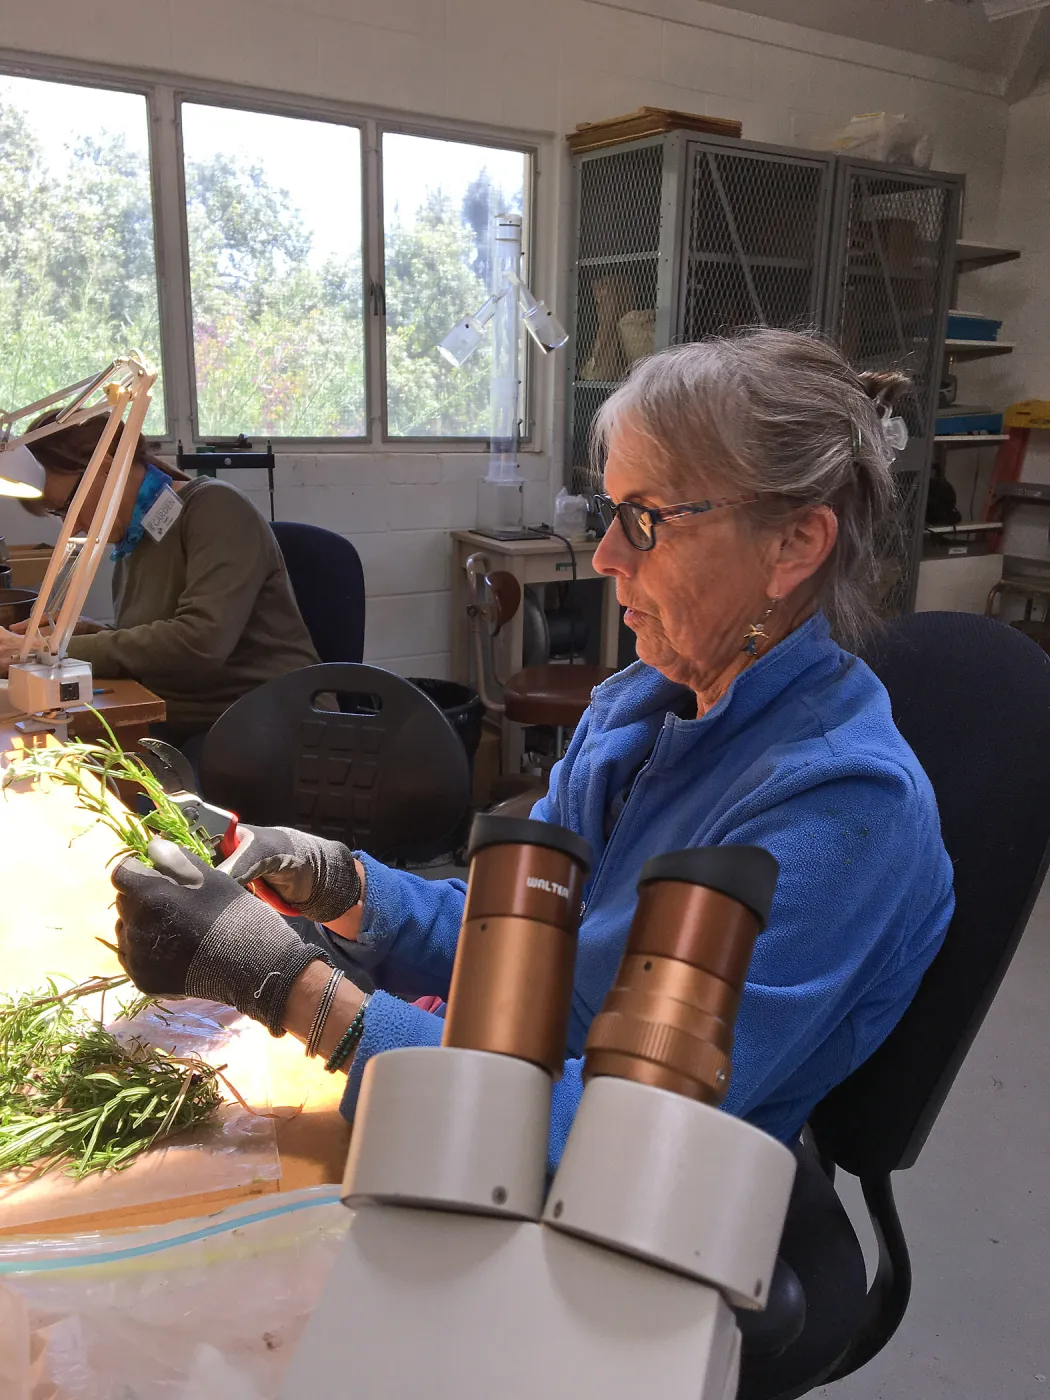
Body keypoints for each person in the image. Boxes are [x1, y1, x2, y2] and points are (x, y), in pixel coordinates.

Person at [111, 329, 955, 1168]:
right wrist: (339, 881)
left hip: (654, 1213)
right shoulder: (641, 713)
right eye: (610, 513)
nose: (606, 555)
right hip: (524, 1100)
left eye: (645, 520)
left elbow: (621, 1137)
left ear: (794, 546)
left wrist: (290, 988)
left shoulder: (844, 806)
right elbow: (518, 940)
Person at [0, 412, 318, 742]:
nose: (74, 526)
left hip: (270, 724)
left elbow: (200, 643)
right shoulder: (136, 537)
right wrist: (84, 633)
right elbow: (158, 643)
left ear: (107, 466)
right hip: (191, 718)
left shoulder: (216, 508)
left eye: (70, 506)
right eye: (60, 515)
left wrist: (46, 649)